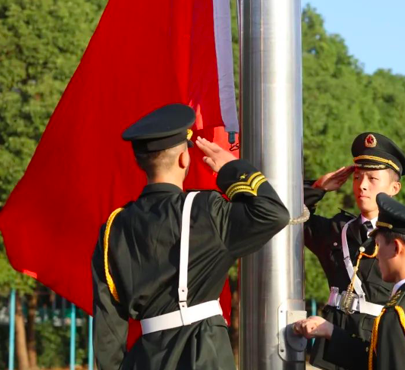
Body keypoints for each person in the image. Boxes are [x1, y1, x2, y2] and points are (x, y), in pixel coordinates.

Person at [91, 103, 290, 370]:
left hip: (146, 359)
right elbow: (273, 214)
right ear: (184, 159)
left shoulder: (114, 227)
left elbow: (108, 325)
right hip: (202, 353)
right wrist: (232, 170)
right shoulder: (205, 210)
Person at [295, 193, 405, 370]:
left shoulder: (397, 314)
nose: (377, 255)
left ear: (396, 248)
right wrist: (331, 332)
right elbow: (380, 360)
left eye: (379, 245)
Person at [304, 132, 405, 369]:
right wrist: (318, 188)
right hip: (332, 352)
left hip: (376, 348)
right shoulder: (338, 230)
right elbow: (287, 217)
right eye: (357, 177)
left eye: (372, 178)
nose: (362, 185)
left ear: (394, 188)